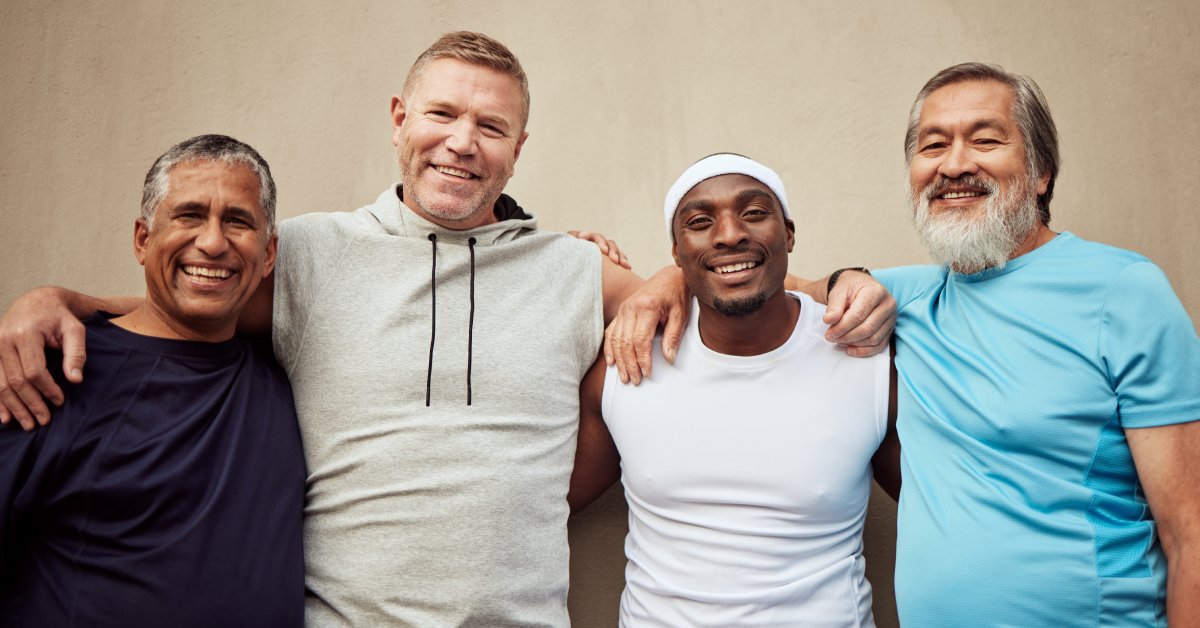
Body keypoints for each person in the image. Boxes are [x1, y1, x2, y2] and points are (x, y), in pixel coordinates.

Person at [0, 33, 891, 625]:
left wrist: (838, 282)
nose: (462, 143)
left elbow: (728, 275)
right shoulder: (304, 254)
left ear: (518, 147)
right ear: (400, 121)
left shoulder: (572, 270)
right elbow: (189, 296)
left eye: (491, 126)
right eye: (442, 115)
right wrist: (56, 300)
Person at [608, 63, 1200, 627]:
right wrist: (662, 283)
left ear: (1042, 172)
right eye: (933, 146)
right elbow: (755, 277)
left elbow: (1188, 529)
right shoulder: (903, 298)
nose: (954, 165)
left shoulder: (1122, 290)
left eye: (985, 141)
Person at [568, 153, 899, 627]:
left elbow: (947, 510)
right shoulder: (628, 363)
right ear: (677, 256)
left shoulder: (864, 356)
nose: (729, 234)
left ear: (788, 232)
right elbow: (538, 501)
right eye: (700, 222)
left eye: (754, 213)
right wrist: (562, 264)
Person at [0, 134, 305, 626]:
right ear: (143, 240)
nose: (212, 241)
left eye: (237, 220)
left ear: (268, 255)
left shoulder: (287, 370)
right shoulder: (51, 372)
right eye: (189, 215)